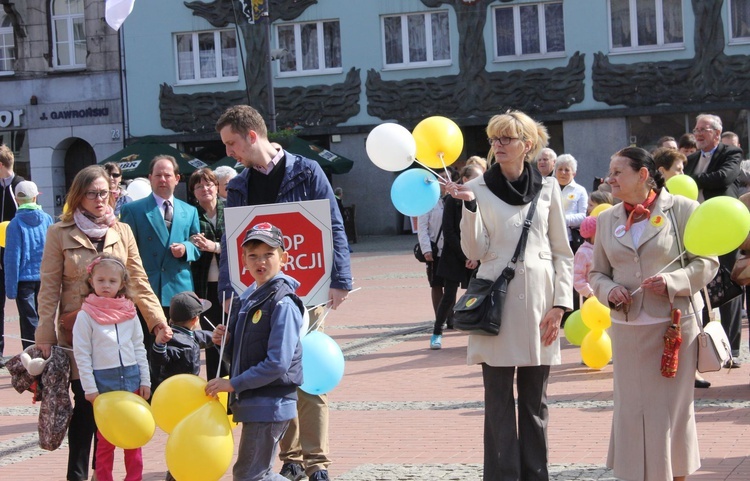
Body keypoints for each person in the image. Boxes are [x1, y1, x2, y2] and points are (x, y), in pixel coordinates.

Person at [216, 104, 352, 481]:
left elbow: (333, 224)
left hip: (305, 290)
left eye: (232, 143)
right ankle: (290, 456)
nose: (229, 151)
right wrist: (229, 290)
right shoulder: (240, 184)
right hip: (258, 293)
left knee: (306, 370)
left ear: (252, 136)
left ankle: (317, 461)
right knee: (275, 375)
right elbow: (232, 242)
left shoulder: (308, 170)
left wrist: (339, 278)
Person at [446, 110, 574, 481]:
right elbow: (474, 251)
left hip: (540, 305)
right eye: (493, 140)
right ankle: (503, 476)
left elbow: (562, 252)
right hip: (494, 305)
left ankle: (536, 474)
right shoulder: (481, 188)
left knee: (535, 403)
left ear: (527, 145)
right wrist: (468, 207)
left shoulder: (548, 187)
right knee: (498, 402)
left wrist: (561, 305)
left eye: (506, 139)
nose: (498, 146)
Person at [589, 146, 718, 481]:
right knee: (631, 410)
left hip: (672, 330)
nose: (610, 179)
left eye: (618, 172)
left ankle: (675, 475)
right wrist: (608, 290)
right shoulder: (607, 218)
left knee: (671, 411)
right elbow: (595, 273)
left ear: (643, 175)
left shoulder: (685, 210)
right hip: (626, 329)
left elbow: (707, 263)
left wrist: (673, 281)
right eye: (610, 172)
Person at [35, 165, 170, 481]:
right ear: (78, 196)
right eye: (92, 193)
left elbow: (137, 280)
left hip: (119, 337)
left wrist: (157, 321)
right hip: (79, 334)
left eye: (105, 193)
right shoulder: (59, 233)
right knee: (85, 408)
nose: (100, 199)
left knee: (116, 408)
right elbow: (49, 286)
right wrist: (44, 334)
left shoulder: (121, 231)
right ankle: (78, 475)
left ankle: (103, 472)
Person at [206, 223, 304, 481]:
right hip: (255, 402)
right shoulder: (248, 298)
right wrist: (226, 343)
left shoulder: (282, 301)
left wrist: (233, 384)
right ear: (244, 261)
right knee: (252, 474)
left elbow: (277, 364)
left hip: (270, 403)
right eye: (253, 255)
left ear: (284, 258)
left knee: (251, 476)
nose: (260, 261)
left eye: (268, 254)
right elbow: (241, 357)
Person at [72, 254, 150, 481]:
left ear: (122, 283)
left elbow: (139, 347)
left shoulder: (130, 312)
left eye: (112, 281)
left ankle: (134, 478)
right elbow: (82, 355)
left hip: (132, 381)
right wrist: (89, 388)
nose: (106, 285)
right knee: (105, 441)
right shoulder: (86, 316)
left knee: (133, 437)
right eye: (101, 280)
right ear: (91, 282)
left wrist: (145, 380)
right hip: (104, 385)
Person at [684, 114, 743, 365]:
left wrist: (690, 180)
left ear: (717, 133)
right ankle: (707, 346)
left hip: (724, 226)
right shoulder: (691, 159)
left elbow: (724, 178)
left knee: (728, 287)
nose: (697, 134)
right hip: (695, 229)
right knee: (702, 286)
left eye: (703, 130)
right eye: (696, 129)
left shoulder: (731, 153)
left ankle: (732, 350)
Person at [120, 155, 200, 326]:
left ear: (177, 179)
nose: (162, 180)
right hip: (147, 290)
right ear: (150, 178)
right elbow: (124, 251)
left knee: (180, 345)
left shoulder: (190, 210)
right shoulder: (133, 210)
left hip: (179, 289)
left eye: (167, 175)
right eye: (158, 175)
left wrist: (186, 248)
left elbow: (197, 245)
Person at [430, 165, 481, 350]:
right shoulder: (452, 199)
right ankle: (437, 331)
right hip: (454, 255)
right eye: (477, 178)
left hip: (475, 255)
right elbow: (449, 231)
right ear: (466, 180)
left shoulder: (481, 198)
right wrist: (465, 254)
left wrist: (475, 255)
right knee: (449, 295)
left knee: (476, 294)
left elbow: (483, 229)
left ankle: (475, 330)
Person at [187, 168, 227, 380]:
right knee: (213, 337)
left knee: (232, 335)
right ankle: (215, 382)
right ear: (193, 191)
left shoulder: (229, 209)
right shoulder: (190, 214)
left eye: (209, 184)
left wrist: (215, 246)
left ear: (217, 186)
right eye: (199, 186)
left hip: (229, 284)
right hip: (204, 286)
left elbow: (238, 243)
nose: (205, 189)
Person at [4, 181, 53, 349]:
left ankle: (32, 357)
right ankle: (48, 354)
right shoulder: (47, 219)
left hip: (24, 280)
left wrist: (10, 289)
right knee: (45, 317)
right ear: (35, 197)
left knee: (28, 321)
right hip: (45, 277)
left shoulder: (15, 224)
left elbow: (12, 258)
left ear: (17, 200)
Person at [151, 291, 213, 392]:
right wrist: (159, 345)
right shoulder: (174, 341)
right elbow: (159, 360)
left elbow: (200, 336)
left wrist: (214, 336)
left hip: (189, 386)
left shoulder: (188, 336)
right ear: (195, 320)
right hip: (176, 391)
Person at [418, 172, 449, 349]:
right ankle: (440, 317)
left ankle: (450, 316)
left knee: (451, 285)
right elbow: (422, 227)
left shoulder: (455, 198)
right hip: (435, 250)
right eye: (441, 177)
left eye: (447, 177)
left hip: (451, 250)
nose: (444, 181)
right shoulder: (429, 201)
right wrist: (426, 249)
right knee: (436, 285)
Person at [0, 144, 24, 363]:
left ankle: (31, 349)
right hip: (0, 260)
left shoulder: (21, 186)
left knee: (26, 309)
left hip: (20, 262)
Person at [555, 154, 588, 254]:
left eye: (567, 170)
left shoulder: (580, 190)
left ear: (574, 174)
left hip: (570, 239)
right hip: (549, 238)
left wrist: (562, 220)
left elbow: (583, 216)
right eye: (560, 169)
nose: (563, 173)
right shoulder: (547, 188)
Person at [573, 216, 596, 301]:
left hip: (603, 293)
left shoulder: (601, 249)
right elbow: (577, 277)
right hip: (589, 297)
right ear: (594, 235)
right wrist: (589, 292)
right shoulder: (583, 253)